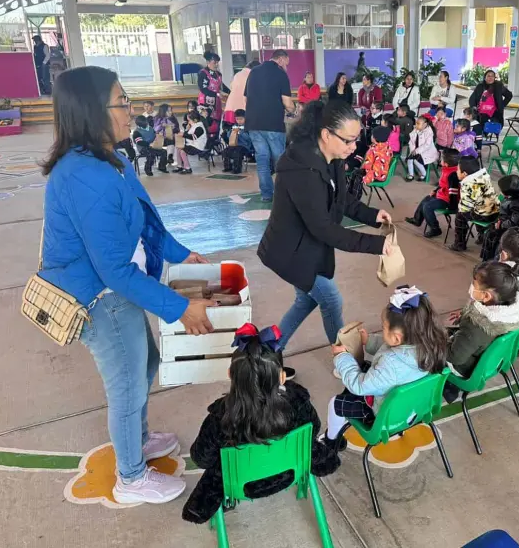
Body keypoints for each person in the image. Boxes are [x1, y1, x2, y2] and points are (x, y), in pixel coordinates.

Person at [38, 66, 213, 505]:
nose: (130, 113)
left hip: (118, 291)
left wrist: (178, 253)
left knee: (146, 365)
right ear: (93, 110)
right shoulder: (84, 176)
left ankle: (137, 439)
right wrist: (179, 307)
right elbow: (114, 270)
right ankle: (131, 477)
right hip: (100, 300)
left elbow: (146, 222)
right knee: (128, 385)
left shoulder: (109, 160)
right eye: (122, 103)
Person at [257, 101, 393, 377]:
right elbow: (323, 228)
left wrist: (372, 215)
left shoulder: (332, 160)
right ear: (326, 135)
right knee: (330, 300)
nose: (354, 146)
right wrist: (376, 245)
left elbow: (343, 201)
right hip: (291, 253)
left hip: (308, 249)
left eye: (357, 139)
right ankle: (345, 362)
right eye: (349, 140)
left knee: (306, 301)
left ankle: (267, 355)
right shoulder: (300, 169)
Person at [182, 326, 340, 524]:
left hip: (241, 486)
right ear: (282, 376)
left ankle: (204, 509)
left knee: (215, 472)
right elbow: (314, 428)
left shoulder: (220, 417)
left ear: (231, 374)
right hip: (290, 472)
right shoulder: (297, 401)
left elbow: (201, 458)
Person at [322, 287, 447, 450]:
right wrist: (370, 341)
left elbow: (359, 386)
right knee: (365, 367)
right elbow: (391, 348)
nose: (382, 329)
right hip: (413, 409)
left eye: (383, 327)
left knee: (335, 404)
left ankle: (331, 441)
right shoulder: (430, 345)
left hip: (383, 417)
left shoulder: (390, 363)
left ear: (396, 337)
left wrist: (342, 357)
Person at [443, 262, 519, 402]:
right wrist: (467, 313)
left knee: (424, 347)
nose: (471, 286)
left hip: (466, 369)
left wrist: (435, 342)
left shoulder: (475, 326)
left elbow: (454, 357)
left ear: (486, 296)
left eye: (474, 283)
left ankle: (450, 386)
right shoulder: (514, 313)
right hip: (492, 362)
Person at [245, 50, 294, 202]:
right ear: (280, 59)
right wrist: (294, 110)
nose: (287, 66)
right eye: (286, 62)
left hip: (253, 123)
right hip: (273, 124)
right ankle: (283, 195)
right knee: (280, 160)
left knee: (262, 160)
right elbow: (287, 102)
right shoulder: (280, 74)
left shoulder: (253, 72)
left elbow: (246, 100)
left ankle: (266, 194)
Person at [480, 174, 519, 262]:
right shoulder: (514, 196)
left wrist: (501, 224)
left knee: (495, 239)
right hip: (505, 224)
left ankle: (492, 262)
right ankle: (486, 260)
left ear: (509, 195)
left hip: (516, 232)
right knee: (489, 232)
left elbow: (514, 222)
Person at [405, 149, 461, 238]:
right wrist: (435, 191)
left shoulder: (453, 175)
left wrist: (452, 207)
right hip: (442, 195)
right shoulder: (446, 169)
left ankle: (435, 228)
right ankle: (417, 220)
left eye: (442, 159)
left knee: (428, 206)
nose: (440, 160)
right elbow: (443, 184)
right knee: (426, 199)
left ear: (446, 163)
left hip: (448, 201)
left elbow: (453, 193)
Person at [449, 156, 499, 253]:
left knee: (460, 216)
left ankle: (459, 244)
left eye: (458, 170)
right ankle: (482, 235)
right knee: (476, 209)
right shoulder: (484, 176)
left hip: (484, 214)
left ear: (465, 174)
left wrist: (459, 207)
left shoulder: (468, 184)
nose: (456, 172)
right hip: (495, 211)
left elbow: (465, 206)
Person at [197, 51, 230, 133]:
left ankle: (216, 141)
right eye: (214, 62)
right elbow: (203, 89)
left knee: (217, 122)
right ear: (208, 62)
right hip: (205, 103)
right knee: (207, 124)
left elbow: (221, 86)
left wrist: (231, 92)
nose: (216, 65)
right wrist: (217, 94)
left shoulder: (218, 74)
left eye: (217, 62)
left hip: (216, 102)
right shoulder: (203, 73)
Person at [223, 60, 259, 125]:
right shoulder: (253, 75)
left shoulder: (237, 75)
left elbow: (232, 87)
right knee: (245, 133)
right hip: (244, 110)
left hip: (230, 108)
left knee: (232, 132)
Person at [405, 114, 438, 182]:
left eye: (418, 124)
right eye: (416, 123)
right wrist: (412, 150)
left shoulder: (429, 132)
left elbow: (427, 145)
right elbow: (411, 141)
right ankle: (411, 175)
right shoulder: (416, 130)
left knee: (415, 161)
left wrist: (416, 151)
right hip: (415, 151)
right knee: (409, 160)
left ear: (425, 124)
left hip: (426, 152)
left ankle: (424, 174)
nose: (416, 125)